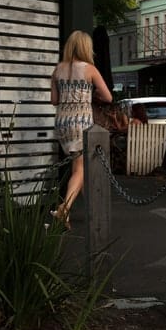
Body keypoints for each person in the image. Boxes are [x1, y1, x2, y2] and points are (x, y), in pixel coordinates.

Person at [50, 30, 112, 229]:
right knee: (80, 169)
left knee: (80, 167)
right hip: (81, 122)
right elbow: (108, 97)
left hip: (62, 123)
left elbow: (54, 100)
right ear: (86, 47)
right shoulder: (90, 69)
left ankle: (94, 211)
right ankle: (64, 209)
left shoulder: (58, 69)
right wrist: (90, 95)